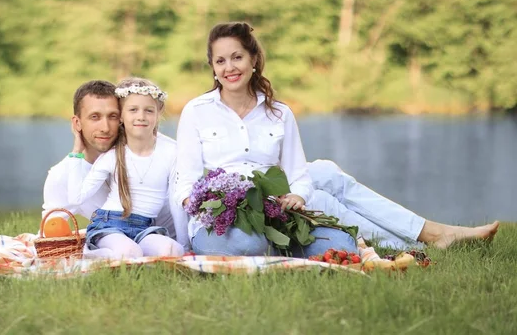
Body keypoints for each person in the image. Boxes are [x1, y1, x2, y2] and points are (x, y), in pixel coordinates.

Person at [173, 21, 499, 256]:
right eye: (220, 60)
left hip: (275, 192)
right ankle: (426, 238)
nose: (230, 67)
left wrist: (298, 194)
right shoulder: (197, 111)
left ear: (253, 60)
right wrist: (205, 208)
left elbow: (297, 174)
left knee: (324, 175)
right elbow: (186, 182)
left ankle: (429, 235)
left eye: (237, 57)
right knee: (326, 194)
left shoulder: (278, 113)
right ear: (212, 68)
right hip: (235, 204)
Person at [41, 80, 177, 242]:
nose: (105, 127)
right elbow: (50, 233)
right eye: (94, 117)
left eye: (112, 116)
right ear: (77, 123)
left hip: (160, 238)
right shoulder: (62, 175)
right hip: (114, 239)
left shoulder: (164, 151)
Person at [68, 77, 187, 258]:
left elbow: (175, 202)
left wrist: (185, 242)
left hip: (145, 227)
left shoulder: (172, 152)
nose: (141, 116)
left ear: (158, 113)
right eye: (133, 110)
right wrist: (77, 151)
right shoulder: (113, 156)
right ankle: (90, 253)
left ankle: (129, 253)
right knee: (129, 252)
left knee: (172, 251)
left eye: (149, 110)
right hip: (110, 224)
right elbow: (76, 197)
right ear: (122, 116)